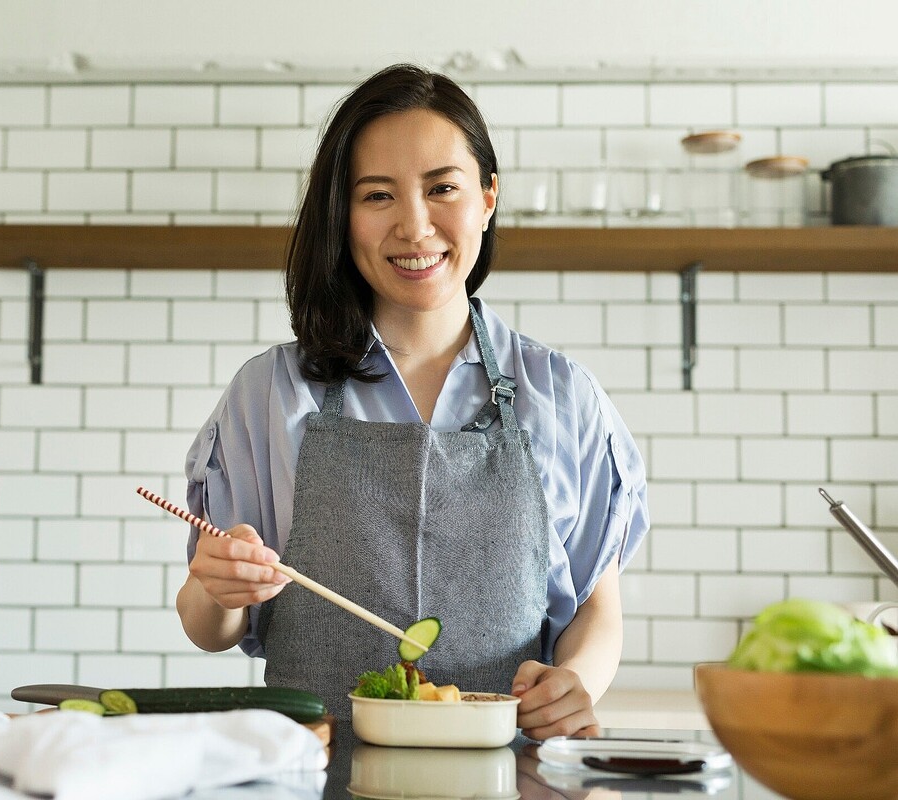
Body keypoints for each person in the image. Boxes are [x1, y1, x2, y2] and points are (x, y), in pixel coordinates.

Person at [175, 63, 649, 740]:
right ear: (342, 217)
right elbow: (206, 626)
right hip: (310, 772)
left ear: (487, 196)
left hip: (505, 772)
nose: (414, 225)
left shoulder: (563, 394)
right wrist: (217, 586)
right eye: (377, 196)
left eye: (441, 188)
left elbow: (595, 609)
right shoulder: (267, 392)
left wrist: (575, 682)